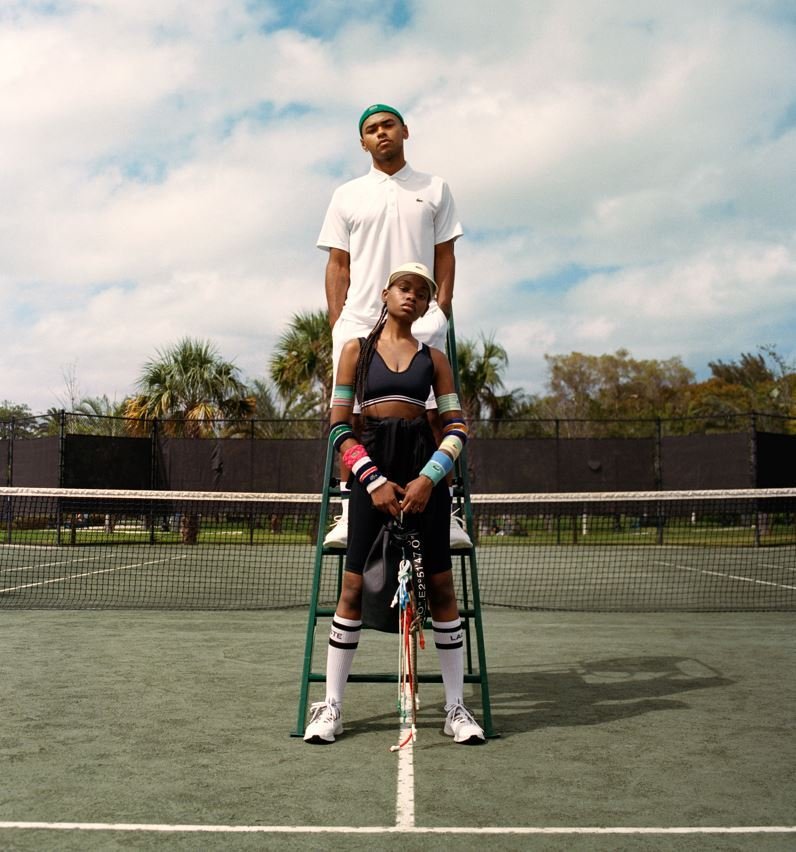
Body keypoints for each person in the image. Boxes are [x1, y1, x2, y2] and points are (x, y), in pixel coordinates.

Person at [304, 262, 485, 746]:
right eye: (404, 288)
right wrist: (372, 480)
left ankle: (455, 708)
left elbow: (457, 428)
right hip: (372, 473)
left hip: (425, 474)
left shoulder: (435, 359)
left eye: (421, 293)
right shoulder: (355, 351)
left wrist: (428, 479)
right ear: (385, 294)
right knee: (353, 587)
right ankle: (332, 707)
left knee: (442, 587)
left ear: (426, 306)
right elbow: (339, 427)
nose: (412, 297)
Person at [317, 102, 470, 549]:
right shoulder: (346, 194)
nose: (381, 132)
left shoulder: (435, 188)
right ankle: (350, 512)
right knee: (354, 418)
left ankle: (447, 513)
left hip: (421, 318)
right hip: (360, 321)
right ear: (362, 142)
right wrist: (339, 323)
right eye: (371, 129)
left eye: (388, 125)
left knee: (434, 415)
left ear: (405, 131)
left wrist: (440, 309)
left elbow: (445, 255)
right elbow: (338, 263)